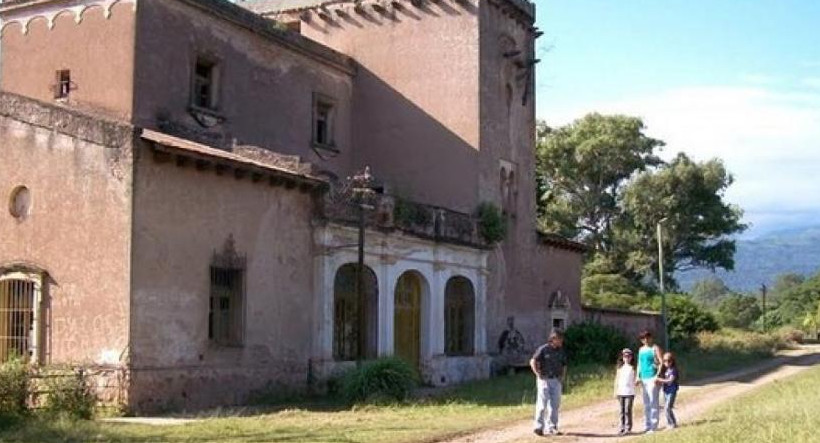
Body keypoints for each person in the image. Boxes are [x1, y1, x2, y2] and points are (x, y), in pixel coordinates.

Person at [530, 329, 568, 436]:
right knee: (542, 404)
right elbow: (533, 361)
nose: (561, 341)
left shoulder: (561, 351)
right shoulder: (543, 349)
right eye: (560, 339)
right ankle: (538, 427)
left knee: (555, 404)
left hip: (556, 379)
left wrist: (562, 377)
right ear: (553, 339)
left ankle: (552, 427)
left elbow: (564, 364)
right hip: (544, 379)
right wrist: (537, 374)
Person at [636, 330, 663, 433]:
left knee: (653, 403)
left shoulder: (655, 348)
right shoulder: (641, 349)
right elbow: (639, 363)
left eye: (647, 337)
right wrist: (637, 377)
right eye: (643, 338)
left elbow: (661, 362)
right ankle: (647, 425)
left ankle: (654, 426)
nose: (645, 340)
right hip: (643, 378)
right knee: (646, 403)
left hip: (652, 377)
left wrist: (657, 375)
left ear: (651, 338)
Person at [613, 348, 636, 435]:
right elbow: (617, 380)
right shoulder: (620, 368)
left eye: (628, 356)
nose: (627, 358)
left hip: (630, 392)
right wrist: (615, 391)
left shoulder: (632, 368)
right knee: (621, 411)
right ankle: (621, 427)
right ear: (622, 357)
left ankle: (628, 427)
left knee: (627, 410)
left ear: (631, 357)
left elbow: (635, 379)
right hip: (620, 391)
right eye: (625, 356)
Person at [656, 351, 680, 429]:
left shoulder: (673, 370)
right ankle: (671, 423)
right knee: (667, 408)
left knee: (667, 408)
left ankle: (672, 423)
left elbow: (670, 380)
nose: (667, 363)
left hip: (672, 391)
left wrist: (660, 380)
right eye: (665, 361)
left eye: (668, 361)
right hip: (666, 391)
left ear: (672, 361)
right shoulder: (665, 370)